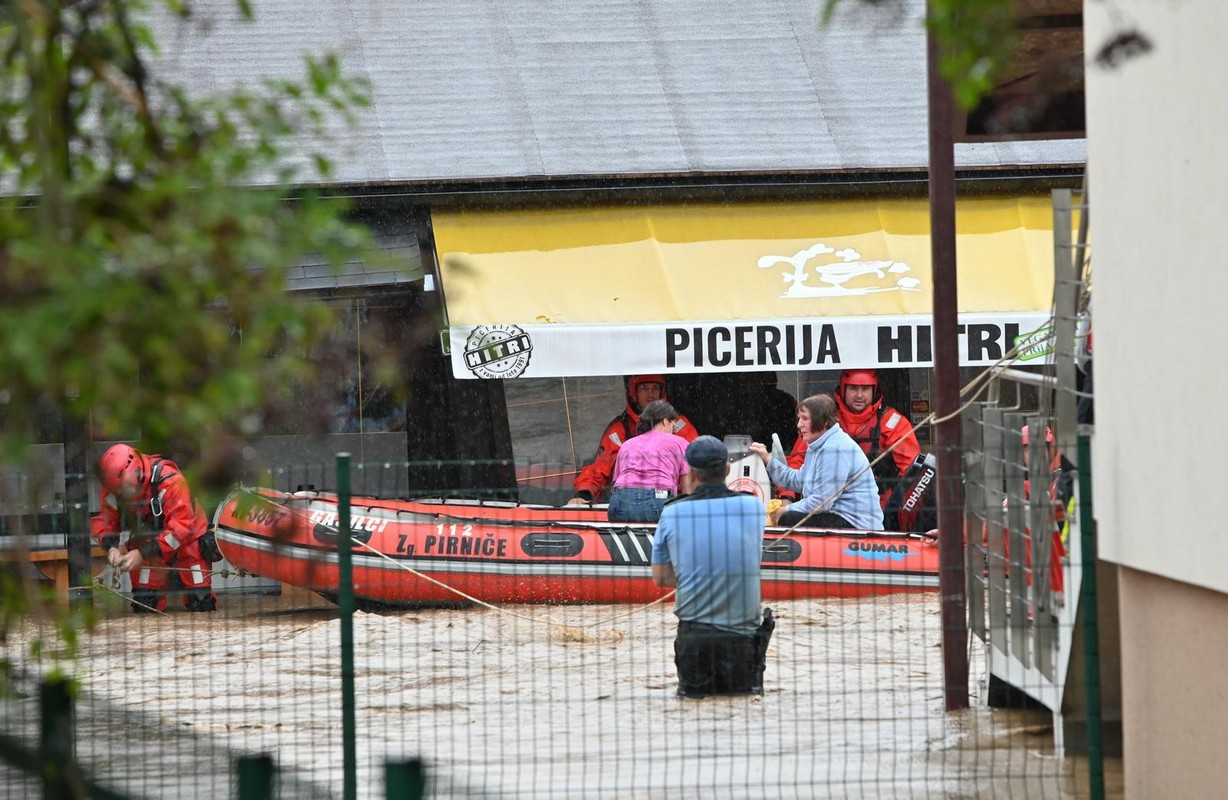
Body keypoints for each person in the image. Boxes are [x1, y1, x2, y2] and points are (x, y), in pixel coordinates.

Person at [651, 436, 775, 697]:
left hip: (694, 639)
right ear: (728, 470)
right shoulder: (753, 507)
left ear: (692, 474)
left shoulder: (671, 513)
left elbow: (661, 578)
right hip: (741, 641)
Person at [785, 369, 927, 530]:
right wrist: (786, 497)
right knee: (789, 518)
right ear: (843, 389)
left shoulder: (892, 423)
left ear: (874, 391)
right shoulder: (823, 421)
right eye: (853, 388)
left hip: (877, 512)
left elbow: (913, 475)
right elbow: (797, 461)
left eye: (865, 389)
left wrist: (898, 513)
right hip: (828, 510)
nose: (859, 395)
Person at [90, 443, 220, 612]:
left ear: (135, 472)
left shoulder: (170, 481)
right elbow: (106, 522)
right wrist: (111, 547)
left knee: (201, 601)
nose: (120, 494)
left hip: (189, 538)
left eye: (122, 489)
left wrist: (141, 554)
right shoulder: (114, 489)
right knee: (145, 602)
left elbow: (181, 529)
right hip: (149, 539)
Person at [751, 394, 883, 530]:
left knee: (788, 519)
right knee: (789, 516)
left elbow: (822, 502)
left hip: (858, 524)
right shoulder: (816, 446)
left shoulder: (834, 448)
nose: (799, 424)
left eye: (805, 419)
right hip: (837, 515)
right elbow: (799, 481)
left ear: (824, 421)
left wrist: (786, 509)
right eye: (799, 418)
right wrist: (768, 459)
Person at [569, 375, 698, 505]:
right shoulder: (621, 429)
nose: (650, 394)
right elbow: (599, 469)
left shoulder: (679, 425)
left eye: (655, 388)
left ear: (662, 391)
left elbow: (698, 463)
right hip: (635, 501)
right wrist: (585, 493)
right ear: (634, 392)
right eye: (644, 388)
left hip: (672, 500)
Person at [606, 400, 691, 523]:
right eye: (673, 423)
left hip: (619, 502)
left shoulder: (627, 445)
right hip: (657, 500)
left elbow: (617, 480)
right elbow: (687, 490)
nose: (674, 428)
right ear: (665, 420)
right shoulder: (680, 443)